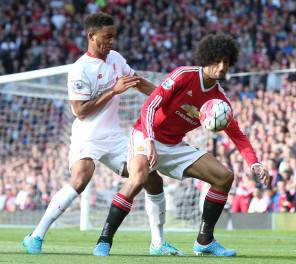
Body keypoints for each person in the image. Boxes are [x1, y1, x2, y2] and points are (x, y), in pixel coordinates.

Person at [22, 12, 184, 257]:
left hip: (114, 136)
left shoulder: (116, 58)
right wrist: (112, 91)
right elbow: (80, 111)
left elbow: (137, 82)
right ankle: (36, 236)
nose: (111, 42)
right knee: (81, 178)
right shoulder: (79, 69)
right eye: (107, 37)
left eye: (113, 37)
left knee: (152, 177)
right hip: (87, 134)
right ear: (91, 36)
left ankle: (158, 243)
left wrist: (166, 101)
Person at [95, 34, 270, 257]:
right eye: (218, 61)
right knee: (138, 178)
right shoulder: (183, 75)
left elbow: (238, 137)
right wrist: (149, 141)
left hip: (174, 145)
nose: (222, 67)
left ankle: (204, 241)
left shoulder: (219, 101)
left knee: (224, 177)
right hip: (145, 135)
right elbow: (149, 107)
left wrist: (255, 164)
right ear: (206, 59)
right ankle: (104, 240)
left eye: (226, 62)